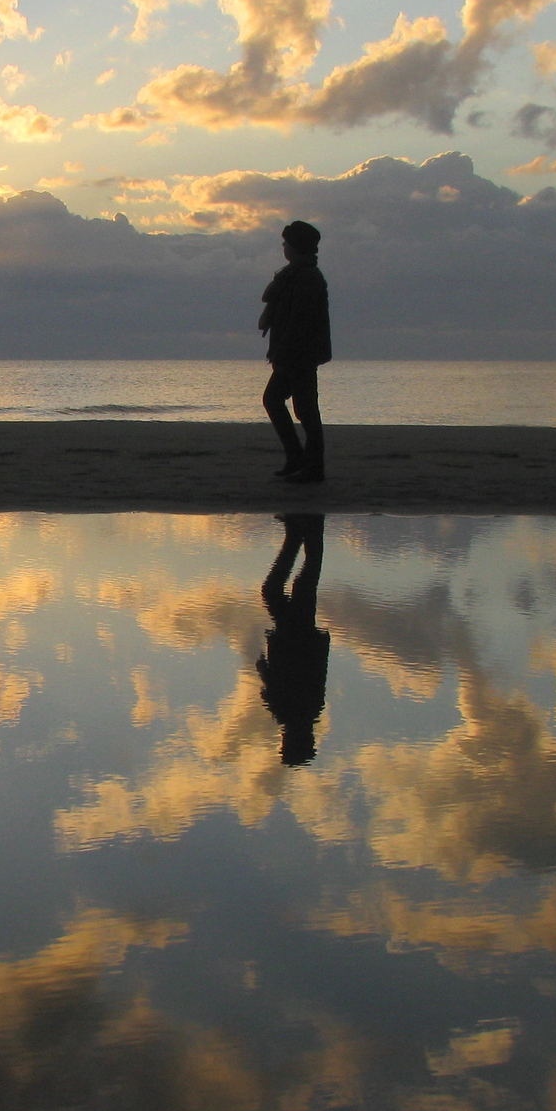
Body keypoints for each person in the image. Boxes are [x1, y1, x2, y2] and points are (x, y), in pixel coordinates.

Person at [258, 219, 330, 483]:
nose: (283, 246)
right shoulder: (293, 275)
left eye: (287, 243)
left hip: (299, 354)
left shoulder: (308, 277)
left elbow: (300, 321)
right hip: (292, 352)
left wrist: (282, 351)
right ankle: (299, 459)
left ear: (296, 246)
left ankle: (308, 464)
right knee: (292, 405)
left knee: (302, 409)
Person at [257, 513, 329, 766]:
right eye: (286, 745)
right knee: (288, 586)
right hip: (294, 638)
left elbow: (317, 674)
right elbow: (274, 684)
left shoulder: (308, 712)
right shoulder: (291, 714)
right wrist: (263, 667)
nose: (283, 741)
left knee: (303, 582)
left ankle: (300, 533)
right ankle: (302, 531)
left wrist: (322, 644)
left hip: (300, 638)